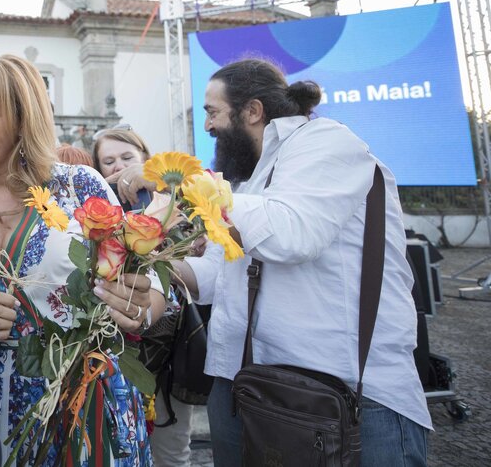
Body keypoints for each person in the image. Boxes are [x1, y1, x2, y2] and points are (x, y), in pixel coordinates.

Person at [117, 58, 432, 467]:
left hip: (348, 395)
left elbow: (291, 233)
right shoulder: (250, 177)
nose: (207, 126)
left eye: (213, 112)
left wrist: (177, 180)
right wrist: (147, 259)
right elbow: (219, 273)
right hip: (245, 385)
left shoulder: (327, 142)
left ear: (252, 111)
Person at [0, 55, 166, 465]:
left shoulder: (78, 187)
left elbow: (149, 288)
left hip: (85, 404)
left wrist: (139, 306)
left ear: (23, 118)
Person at [91, 127, 196, 467]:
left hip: (167, 355)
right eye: (108, 161)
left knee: (171, 450)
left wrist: (158, 187)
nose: (118, 167)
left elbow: (196, 248)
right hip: (114, 357)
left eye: (127, 158)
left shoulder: (170, 201)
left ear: (145, 160)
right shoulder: (93, 217)